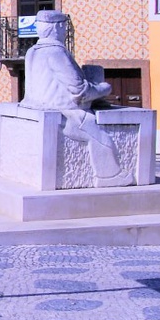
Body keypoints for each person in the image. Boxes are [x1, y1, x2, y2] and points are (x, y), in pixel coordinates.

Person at [21, 10, 133, 188]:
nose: (65, 31)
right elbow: (80, 91)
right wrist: (104, 88)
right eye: (64, 27)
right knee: (102, 139)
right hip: (65, 113)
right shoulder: (56, 53)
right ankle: (109, 176)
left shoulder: (32, 52)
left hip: (38, 108)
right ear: (57, 27)